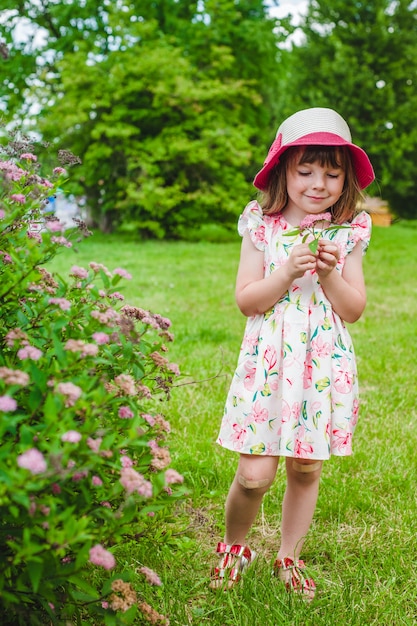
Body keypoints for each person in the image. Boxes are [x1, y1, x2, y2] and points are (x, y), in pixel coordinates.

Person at [209, 107, 375, 599]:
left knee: (306, 467)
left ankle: (290, 555)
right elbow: (246, 300)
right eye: (305, 170)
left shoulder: (351, 229)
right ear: (283, 169)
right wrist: (283, 275)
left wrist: (328, 273)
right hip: (269, 362)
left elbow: (353, 309)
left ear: (346, 178)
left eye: (332, 171)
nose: (318, 182)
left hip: (322, 362)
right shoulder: (262, 223)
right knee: (254, 474)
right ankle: (234, 546)